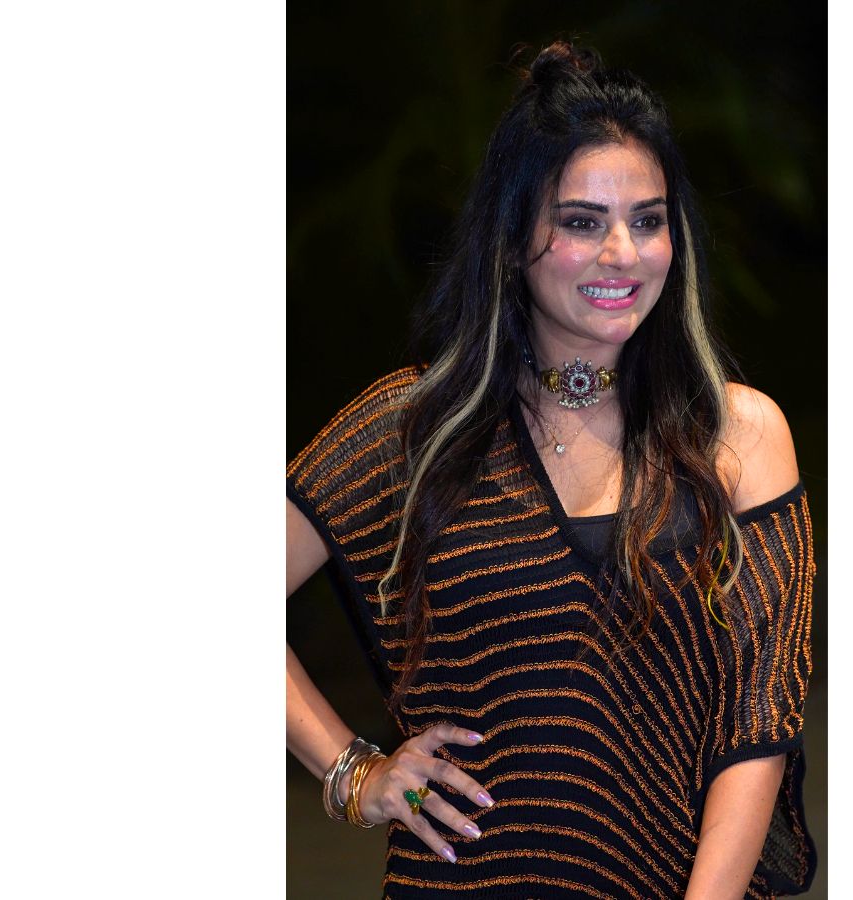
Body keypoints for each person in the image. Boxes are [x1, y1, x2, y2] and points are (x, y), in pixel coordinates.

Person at [287, 41, 816, 900]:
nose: (624, 253)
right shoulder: (416, 427)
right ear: (511, 240)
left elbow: (758, 725)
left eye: (649, 220)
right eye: (581, 222)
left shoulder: (737, 436)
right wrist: (354, 771)